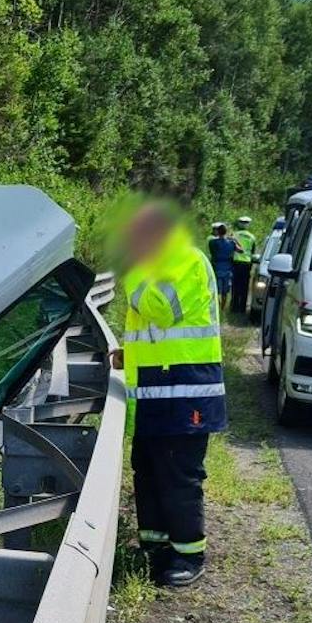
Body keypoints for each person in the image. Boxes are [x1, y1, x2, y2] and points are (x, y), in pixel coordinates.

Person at [109, 204, 226, 587]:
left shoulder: (185, 261)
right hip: (155, 390)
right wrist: (129, 353)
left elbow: (162, 310)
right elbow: (155, 333)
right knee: (149, 471)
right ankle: (156, 549)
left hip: (186, 391)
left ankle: (189, 555)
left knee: (178, 475)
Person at [206, 222, 238, 314]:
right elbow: (241, 250)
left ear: (217, 232)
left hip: (216, 269)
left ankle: (217, 309)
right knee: (225, 292)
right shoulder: (231, 243)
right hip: (228, 269)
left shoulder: (212, 242)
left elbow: (212, 252)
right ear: (226, 232)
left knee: (216, 291)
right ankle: (223, 309)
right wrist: (234, 240)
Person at [230, 216, 257, 315]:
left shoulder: (234, 235)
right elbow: (253, 251)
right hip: (246, 263)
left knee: (235, 286)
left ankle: (234, 307)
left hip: (236, 262)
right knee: (244, 287)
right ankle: (242, 308)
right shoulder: (252, 237)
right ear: (248, 225)